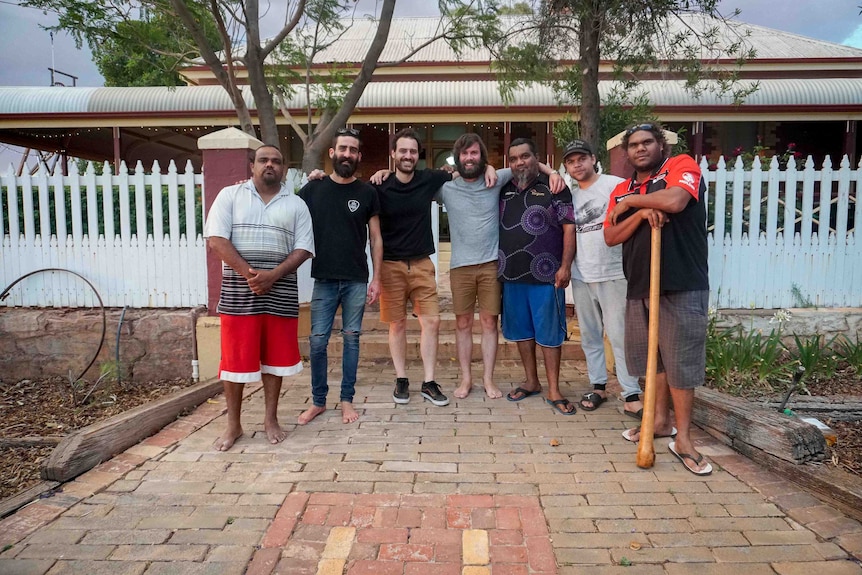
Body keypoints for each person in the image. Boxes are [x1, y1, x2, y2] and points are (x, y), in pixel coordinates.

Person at [604, 122, 712, 476]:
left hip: (681, 282)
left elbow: (676, 201)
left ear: (660, 145)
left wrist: (633, 202)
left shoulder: (681, 166)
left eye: (647, 142)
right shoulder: (621, 188)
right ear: (627, 152)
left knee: (681, 362)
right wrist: (638, 213)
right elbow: (611, 234)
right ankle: (660, 422)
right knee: (654, 360)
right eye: (633, 145)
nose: (640, 149)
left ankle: (684, 440)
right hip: (640, 285)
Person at [204, 144, 314, 451]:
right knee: (234, 361)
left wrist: (272, 276)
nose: (270, 165)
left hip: (279, 296)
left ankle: (270, 420)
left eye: (276, 161)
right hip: (239, 295)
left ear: (284, 168)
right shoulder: (230, 196)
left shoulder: (295, 204)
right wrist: (250, 275)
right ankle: (233, 425)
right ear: (252, 165)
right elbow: (216, 239)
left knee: (275, 362)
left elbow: (304, 248)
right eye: (263, 160)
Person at [442, 133, 564, 400]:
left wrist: (553, 172)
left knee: (488, 322)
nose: (469, 158)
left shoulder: (496, 178)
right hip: (460, 265)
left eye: (474, 153)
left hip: (491, 264)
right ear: (458, 158)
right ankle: (465, 379)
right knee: (462, 323)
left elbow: (528, 164)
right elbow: (411, 184)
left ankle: (487, 379)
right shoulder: (446, 187)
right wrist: (383, 172)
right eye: (464, 154)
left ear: (481, 156)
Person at [296, 128, 382, 425]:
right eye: (342, 148)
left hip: (356, 278)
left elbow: (376, 238)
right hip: (324, 279)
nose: (348, 154)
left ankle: (346, 399)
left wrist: (377, 278)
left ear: (359, 156)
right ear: (332, 153)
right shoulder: (313, 189)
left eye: (353, 150)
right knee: (317, 340)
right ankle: (318, 401)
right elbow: (285, 208)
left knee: (351, 339)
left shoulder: (367, 193)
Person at [562, 139, 645, 418]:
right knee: (589, 335)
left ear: (593, 158)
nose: (577, 164)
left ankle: (631, 392)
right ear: (566, 167)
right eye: (571, 161)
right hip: (582, 274)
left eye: (581, 159)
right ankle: (598, 386)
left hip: (612, 273)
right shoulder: (570, 196)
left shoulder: (614, 185)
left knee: (619, 335)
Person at [376, 128, 453, 406]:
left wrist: (490, 169)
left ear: (418, 155)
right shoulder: (379, 185)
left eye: (412, 151)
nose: (408, 156)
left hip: (422, 263)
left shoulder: (429, 178)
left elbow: (464, 172)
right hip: (391, 265)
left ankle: (429, 382)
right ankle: (401, 378)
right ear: (393, 154)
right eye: (403, 151)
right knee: (397, 324)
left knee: (431, 321)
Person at [499, 138, 577, 415]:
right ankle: (531, 381)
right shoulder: (503, 188)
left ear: (537, 158)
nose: (520, 162)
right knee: (521, 332)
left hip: (547, 274)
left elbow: (569, 228)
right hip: (510, 274)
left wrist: (565, 265)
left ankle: (554, 388)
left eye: (526, 156)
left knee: (550, 334)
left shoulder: (554, 187)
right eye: (514, 158)